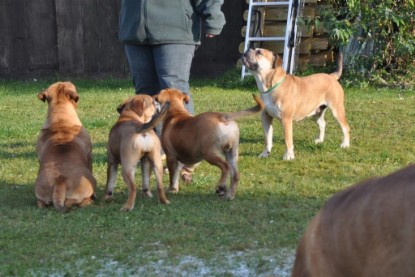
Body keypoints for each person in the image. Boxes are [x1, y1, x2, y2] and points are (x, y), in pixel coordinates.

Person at [118, 0, 226, 114]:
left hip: (176, 30)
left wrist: (213, 17)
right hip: (134, 30)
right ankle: (152, 132)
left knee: (174, 92)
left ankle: (183, 132)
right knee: (144, 95)